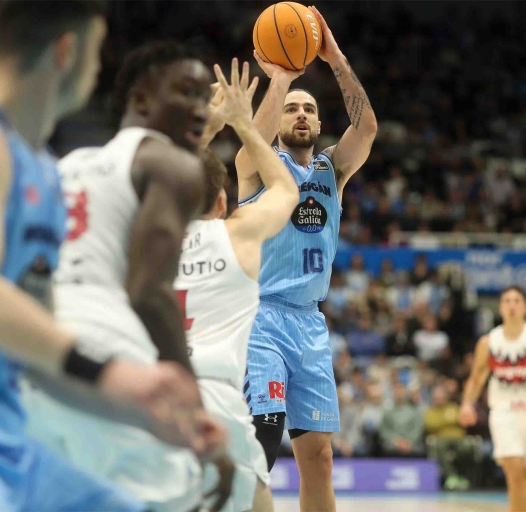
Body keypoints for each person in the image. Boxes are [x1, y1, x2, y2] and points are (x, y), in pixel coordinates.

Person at [0, 2, 221, 511]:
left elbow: (42, 362)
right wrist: (112, 371)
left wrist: (147, 413)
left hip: (9, 447)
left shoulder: (48, 175)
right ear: (69, 52)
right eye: (97, 53)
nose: (98, 71)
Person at [21, 41, 234, 511]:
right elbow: (149, 292)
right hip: (114, 352)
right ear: (141, 100)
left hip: (39, 355)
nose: (200, 109)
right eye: (186, 93)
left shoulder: (65, 166)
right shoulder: (172, 165)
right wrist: (194, 409)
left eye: (205, 97)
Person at [236, 7, 378, 511]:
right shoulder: (256, 169)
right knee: (264, 441)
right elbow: (252, 142)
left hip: (310, 324)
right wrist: (281, 77)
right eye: (292, 108)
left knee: (318, 457)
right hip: (262, 318)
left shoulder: (331, 171)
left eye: (309, 109)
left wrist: (334, 57)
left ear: (319, 124)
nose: (300, 114)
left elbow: (366, 131)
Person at [174, 58, 299, 512]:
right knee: (257, 501)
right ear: (224, 201)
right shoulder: (237, 234)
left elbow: (164, 182)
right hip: (215, 395)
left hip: (148, 392)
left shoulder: (143, 238)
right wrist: (243, 125)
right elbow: (285, 190)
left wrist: (208, 127)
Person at [460, 285, 526, 512]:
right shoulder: (488, 342)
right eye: (507, 301)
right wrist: (466, 404)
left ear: (524, 307)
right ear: (500, 307)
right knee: (515, 472)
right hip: (504, 412)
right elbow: (476, 379)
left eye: (516, 301)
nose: (511, 305)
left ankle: (516, 502)